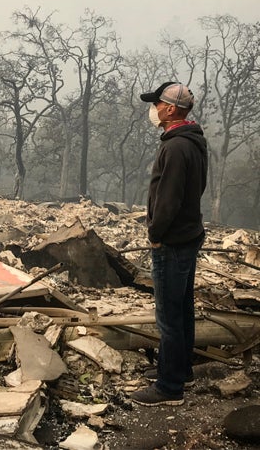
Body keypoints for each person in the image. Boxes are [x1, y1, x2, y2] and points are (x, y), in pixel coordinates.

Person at [130, 82, 208, 407]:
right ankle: (179, 369)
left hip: (172, 241)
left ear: (171, 109)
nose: (155, 109)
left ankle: (169, 387)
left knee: (169, 316)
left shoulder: (175, 147)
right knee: (182, 309)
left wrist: (155, 235)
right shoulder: (192, 141)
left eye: (158, 104)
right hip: (187, 235)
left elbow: (168, 199)